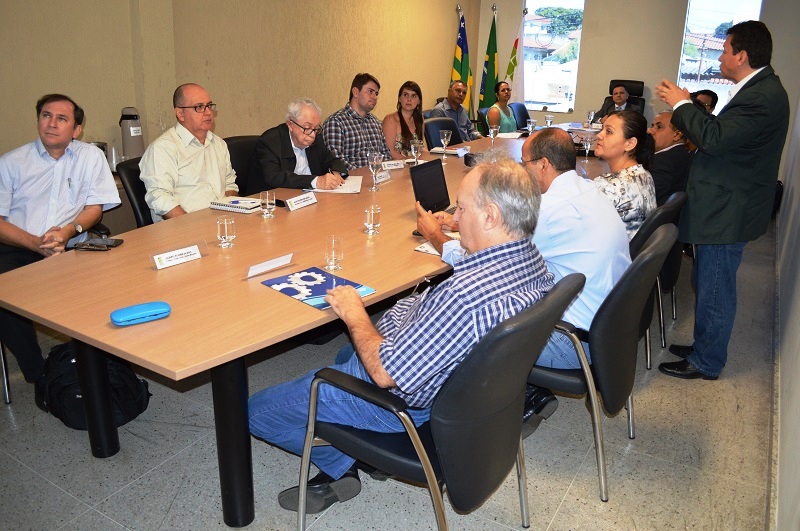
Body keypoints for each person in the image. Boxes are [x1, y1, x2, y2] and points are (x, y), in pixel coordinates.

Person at [249, 159, 554, 514]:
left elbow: (384, 373)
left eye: (462, 208)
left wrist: (354, 313)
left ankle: (343, 463)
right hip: (462, 392)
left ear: (490, 216)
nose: (455, 218)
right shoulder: (532, 261)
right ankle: (355, 451)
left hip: (403, 405)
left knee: (257, 412)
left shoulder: (465, 297)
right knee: (342, 359)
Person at [418, 131, 630, 424]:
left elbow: (486, 263)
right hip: (611, 332)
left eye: (525, 163)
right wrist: (461, 219)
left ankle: (453, 414)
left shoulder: (549, 210)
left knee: (469, 323)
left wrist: (435, 236)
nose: (521, 169)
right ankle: (531, 393)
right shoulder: (589, 189)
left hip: (574, 341)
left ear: (543, 165)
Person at [655, 21, 789, 380]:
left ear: (741, 55)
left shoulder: (762, 96)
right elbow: (726, 138)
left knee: (715, 284)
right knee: (708, 278)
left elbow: (713, 139)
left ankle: (707, 361)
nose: (720, 55)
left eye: (725, 49)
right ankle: (705, 345)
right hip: (727, 203)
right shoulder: (760, 89)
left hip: (729, 209)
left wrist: (682, 103)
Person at [0, 93, 120, 406]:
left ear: (77, 129)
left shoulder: (90, 157)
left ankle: (111, 364)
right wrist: (35, 243)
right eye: (46, 116)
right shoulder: (11, 163)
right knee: (3, 296)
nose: (52, 124)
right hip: (19, 247)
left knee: (121, 277)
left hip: (73, 245)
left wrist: (69, 231)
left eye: (62, 119)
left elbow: (95, 208)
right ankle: (38, 374)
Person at [139, 83, 238, 222]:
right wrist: (191, 226)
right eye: (199, 107)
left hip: (221, 224)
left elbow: (229, 184)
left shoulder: (219, 144)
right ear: (180, 114)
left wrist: (229, 212)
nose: (208, 112)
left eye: (209, 105)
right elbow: (160, 198)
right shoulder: (163, 148)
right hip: (183, 229)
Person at [248, 98, 348, 193]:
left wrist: (336, 173)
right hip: (271, 200)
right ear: (290, 125)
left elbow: (331, 160)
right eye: (307, 128)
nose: (312, 134)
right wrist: (316, 181)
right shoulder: (270, 141)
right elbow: (274, 177)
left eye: (316, 128)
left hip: (309, 197)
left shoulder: (316, 138)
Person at [593, 110, 657, 239]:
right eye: (602, 129)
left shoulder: (607, 186)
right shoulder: (644, 174)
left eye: (609, 131)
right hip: (630, 254)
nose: (599, 135)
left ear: (630, 144)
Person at [322, 73, 391, 170]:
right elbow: (336, 162)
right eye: (370, 91)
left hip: (378, 178)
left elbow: (386, 154)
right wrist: (366, 175)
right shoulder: (336, 122)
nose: (375, 97)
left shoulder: (375, 122)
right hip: (351, 181)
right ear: (355, 92)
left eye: (376, 94)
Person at [647, 110, 691, 205]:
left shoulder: (663, 161)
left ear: (677, 135)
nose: (650, 131)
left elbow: (645, 197)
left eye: (659, 127)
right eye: (652, 126)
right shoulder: (682, 153)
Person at [381, 81, 425, 160]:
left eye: (413, 96)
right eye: (405, 95)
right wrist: (409, 163)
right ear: (399, 99)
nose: (409, 99)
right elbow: (389, 152)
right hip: (396, 166)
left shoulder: (420, 119)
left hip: (414, 166)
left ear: (419, 101)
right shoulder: (390, 119)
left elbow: (420, 148)